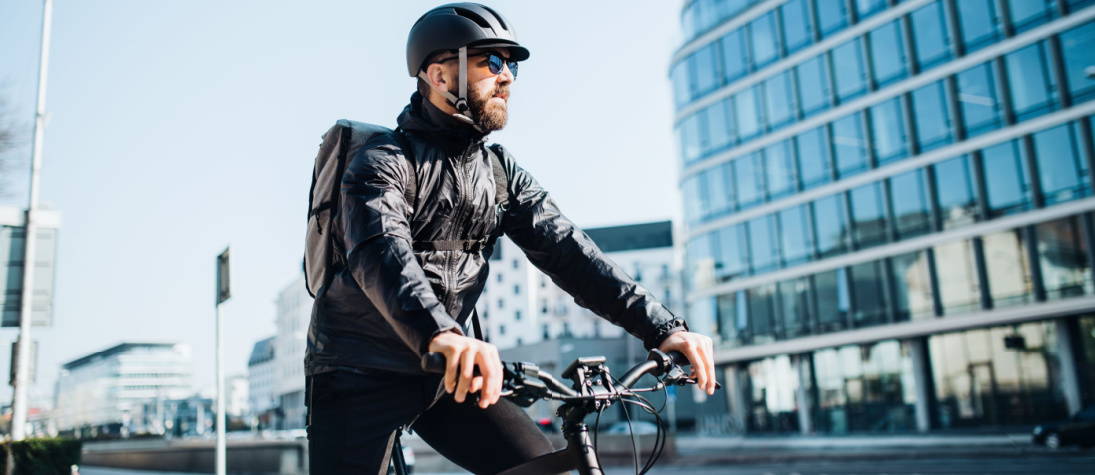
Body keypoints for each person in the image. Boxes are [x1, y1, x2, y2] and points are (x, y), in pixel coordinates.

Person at [304, 3, 716, 473]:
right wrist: (441, 333)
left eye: (512, 65)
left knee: (545, 468)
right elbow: (380, 253)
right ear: (439, 76)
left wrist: (664, 328)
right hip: (360, 370)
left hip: (448, 376)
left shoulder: (499, 173)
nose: (508, 78)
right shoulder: (381, 163)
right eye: (492, 63)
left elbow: (571, 254)